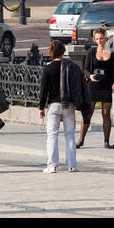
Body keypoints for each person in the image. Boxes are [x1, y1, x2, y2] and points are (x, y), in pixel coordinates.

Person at [38, 40, 86, 173]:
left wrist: (41, 107)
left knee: (52, 135)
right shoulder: (72, 66)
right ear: (63, 51)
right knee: (70, 135)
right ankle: (72, 165)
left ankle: (52, 165)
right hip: (68, 105)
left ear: (51, 52)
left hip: (53, 105)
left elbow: (44, 90)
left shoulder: (48, 68)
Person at [79, 27, 114, 148]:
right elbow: (85, 69)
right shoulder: (91, 52)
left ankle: (106, 141)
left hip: (106, 86)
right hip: (93, 85)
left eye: (101, 38)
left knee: (106, 113)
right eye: (97, 39)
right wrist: (90, 76)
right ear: (94, 40)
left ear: (106, 38)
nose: (100, 41)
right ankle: (81, 140)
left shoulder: (112, 51)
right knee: (88, 113)